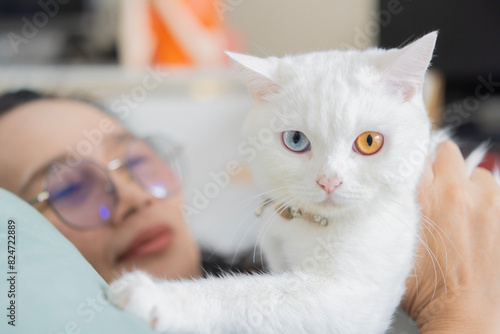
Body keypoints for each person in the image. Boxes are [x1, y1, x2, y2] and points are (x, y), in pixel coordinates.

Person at [0, 90, 498, 333]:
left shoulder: (294, 273)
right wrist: (460, 305)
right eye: (70, 190)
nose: (133, 197)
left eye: (135, 160)